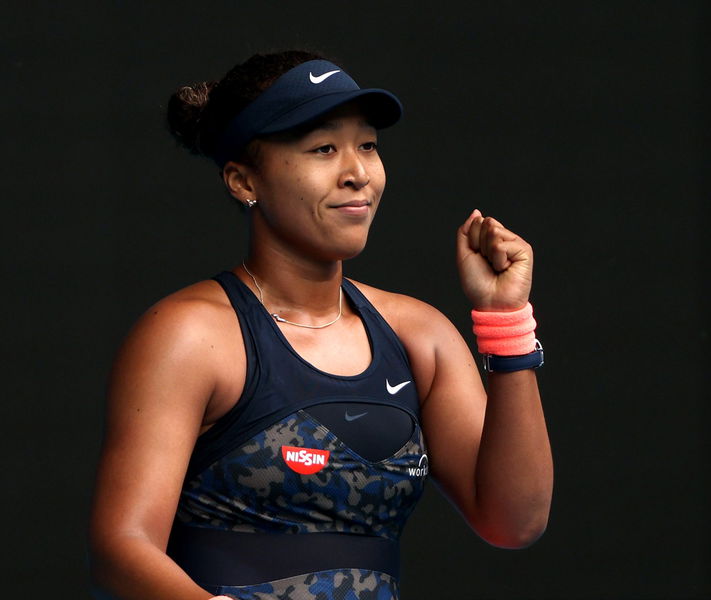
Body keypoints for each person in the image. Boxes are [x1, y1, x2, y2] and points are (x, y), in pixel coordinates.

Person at [89, 49, 553, 600]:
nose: (358, 173)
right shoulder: (190, 336)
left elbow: (514, 521)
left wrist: (506, 321)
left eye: (368, 146)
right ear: (243, 181)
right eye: (324, 149)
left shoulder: (417, 335)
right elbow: (122, 547)